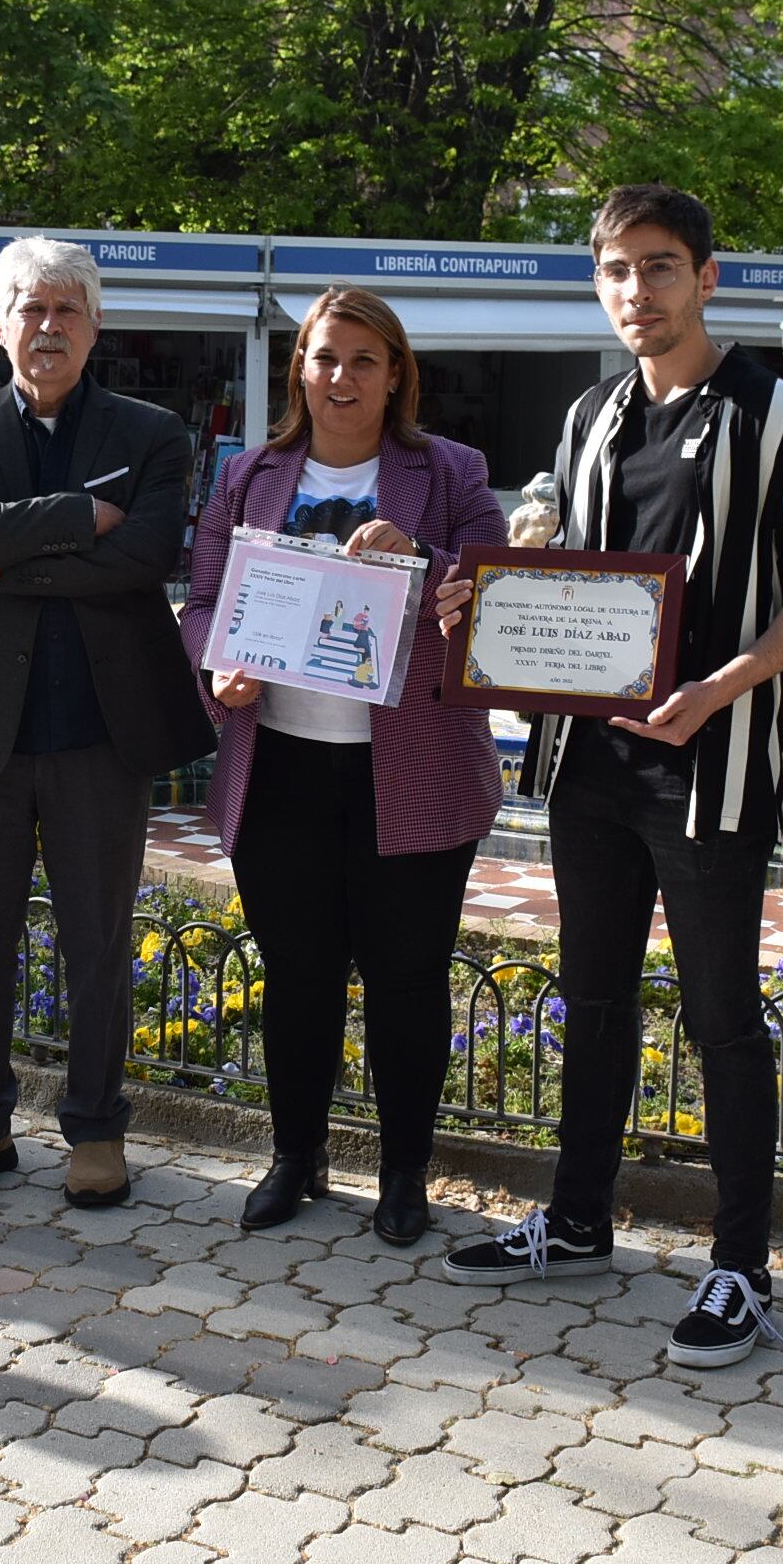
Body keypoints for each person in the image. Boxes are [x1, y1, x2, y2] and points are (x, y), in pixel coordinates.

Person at [434, 185, 783, 1377]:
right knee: (597, 998)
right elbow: (557, 545)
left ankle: (741, 1266)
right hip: (588, 763)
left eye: (660, 267)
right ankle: (576, 1219)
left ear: (707, 276)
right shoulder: (591, 413)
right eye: (617, 269)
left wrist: (724, 687)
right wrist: (501, 580)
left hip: (711, 765)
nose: (638, 290)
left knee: (723, 1015)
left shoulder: (777, 415)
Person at [177, 287, 504, 1242]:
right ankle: (296, 1156)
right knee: (299, 975)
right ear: (299, 370)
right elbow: (201, 599)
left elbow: (498, 592)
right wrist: (218, 666)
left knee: (408, 981)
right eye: (325, 357)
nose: (342, 377)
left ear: (396, 372)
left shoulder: (448, 471)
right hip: (278, 766)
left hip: (414, 774)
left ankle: (405, 1172)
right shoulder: (252, 476)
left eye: (365, 359)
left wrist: (428, 558)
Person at [0, 237, 216, 1210]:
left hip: (98, 724)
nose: (46, 327)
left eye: (64, 310)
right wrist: (83, 512)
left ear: (93, 324)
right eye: (28, 309)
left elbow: (151, 554)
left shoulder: (153, 430)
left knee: (95, 935)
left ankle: (95, 1127)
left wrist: (7, 545)